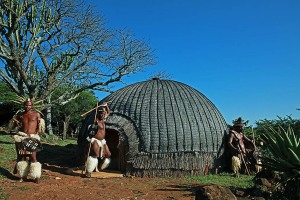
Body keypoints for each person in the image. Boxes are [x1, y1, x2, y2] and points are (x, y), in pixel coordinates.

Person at [11, 98, 44, 183]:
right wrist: (16, 123)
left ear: (32, 105)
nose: (27, 106)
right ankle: (22, 176)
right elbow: (15, 126)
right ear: (24, 105)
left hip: (32, 138)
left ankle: (36, 177)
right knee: (22, 157)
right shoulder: (20, 114)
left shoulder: (36, 114)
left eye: (29, 105)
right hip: (22, 137)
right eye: (26, 105)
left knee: (33, 157)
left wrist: (38, 132)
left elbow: (40, 128)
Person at [85, 102, 111, 178]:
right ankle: (88, 171)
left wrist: (106, 106)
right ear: (98, 114)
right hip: (94, 140)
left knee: (108, 154)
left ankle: (100, 166)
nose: (103, 115)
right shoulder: (95, 120)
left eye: (104, 114)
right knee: (95, 155)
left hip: (102, 141)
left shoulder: (103, 120)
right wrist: (97, 108)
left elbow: (108, 113)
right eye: (101, 114)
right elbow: (93, 114)